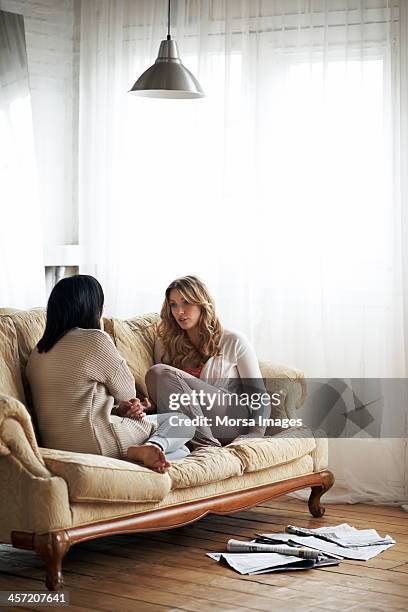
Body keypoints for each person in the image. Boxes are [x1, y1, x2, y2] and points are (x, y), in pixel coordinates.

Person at [26, 275, 195, 472]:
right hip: (100, 441)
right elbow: (127, 392)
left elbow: (73, 408)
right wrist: (127, 405)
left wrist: (117, 410)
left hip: (60, 450)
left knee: (183, 452)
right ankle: (151, 448)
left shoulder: (36, 354)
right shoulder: (94, 339)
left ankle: (139, 457)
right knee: (182, 422)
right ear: (92, 307)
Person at [145, 275, 271, 448]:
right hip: (193, 423)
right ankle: (207, 445)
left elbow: (259, 395)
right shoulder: (165, 343)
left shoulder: (234, 341)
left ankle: (206, 446)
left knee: (158, 372)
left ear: (201, 303)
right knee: (157, 376)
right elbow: (169, 391)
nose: (179, 311)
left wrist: (255, 433)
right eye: (173, 304)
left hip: (231, 420)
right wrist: (151, 404)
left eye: (186, 302)